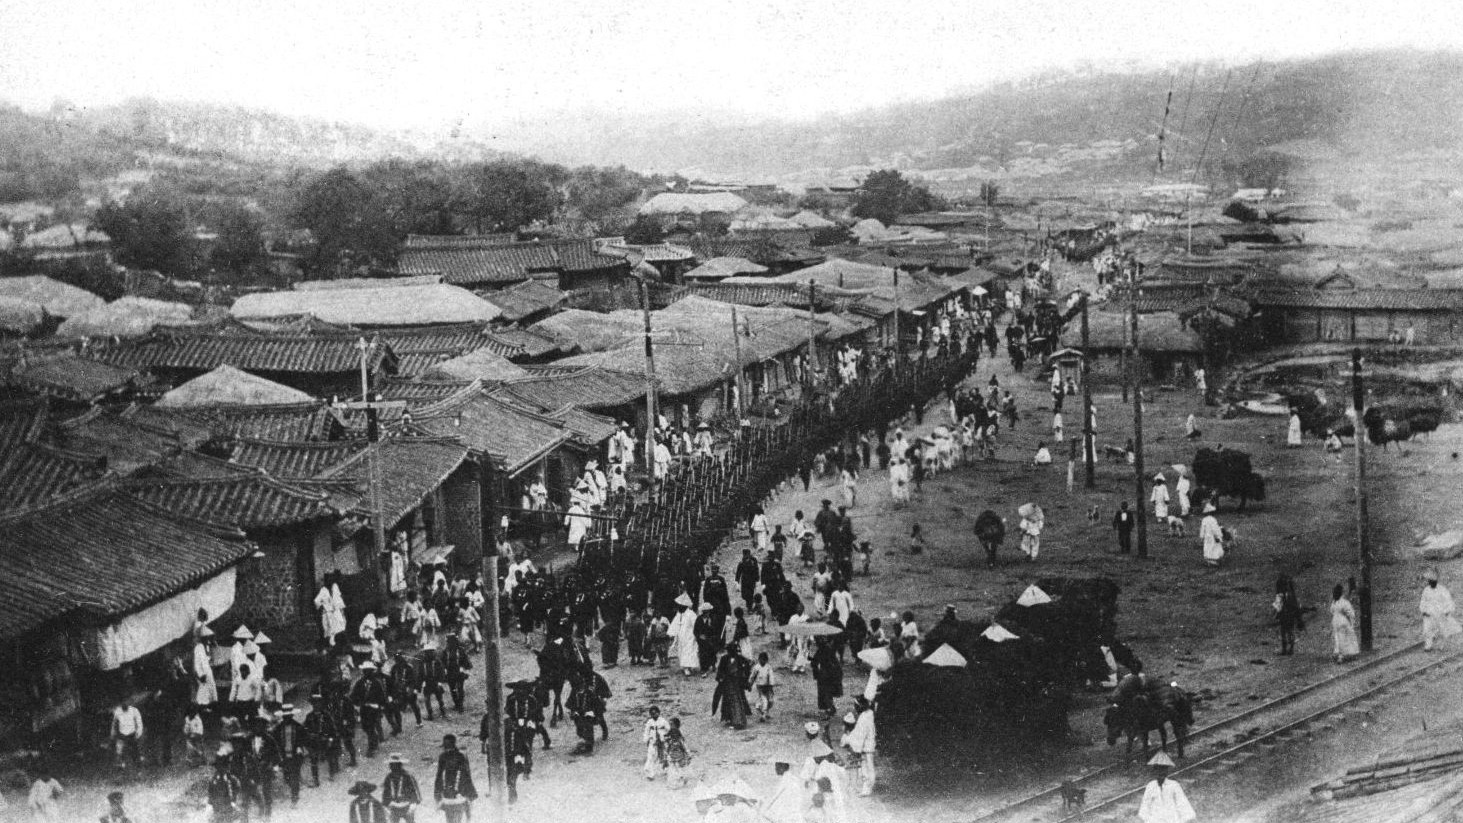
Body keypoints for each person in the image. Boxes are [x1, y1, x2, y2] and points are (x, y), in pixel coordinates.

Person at [1137, 751, 1195, 823]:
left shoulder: (1174, 785)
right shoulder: (1150, 786)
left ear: (1167, 771)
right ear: (1154, 771)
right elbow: (1144, 809)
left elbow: (1183, 805)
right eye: (1158, 769)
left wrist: (1182, 820)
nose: (1161, 772)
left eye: (1164, 769)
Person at [433, 735, 477, 823]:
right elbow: (466, 775)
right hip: (459, 795)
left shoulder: (443, 756)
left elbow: (439, 777)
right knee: (457, 818)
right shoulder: (461, 756)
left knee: (450, 818)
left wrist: (437, 795)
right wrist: (471, 794)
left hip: (448, 796)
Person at [840, 699, 877, 797]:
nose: (855, 707)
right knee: (867, 767)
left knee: (866, 768)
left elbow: (858, 736)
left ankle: (867, 788)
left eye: (856, 705)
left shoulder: (863, 718)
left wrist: (847, 740)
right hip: (868, 745)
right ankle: (866, 787)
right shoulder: (869, 714)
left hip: (866, 747)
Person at [1420, 568, 1461, 651]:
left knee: (1441, 630)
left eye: (1433, 581)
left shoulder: (1442, 590)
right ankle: (1428, 646)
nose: (1431, 583)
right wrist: (1423, 611)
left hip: (1440, 613)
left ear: (1436, 581)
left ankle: (1441, 646)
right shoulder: (1426, 590)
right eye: (1430, 581)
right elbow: (1423, 601)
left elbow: (1449, 601)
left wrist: (1446, 611)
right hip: (1429, 613)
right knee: (1428, 630)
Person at [381, 754, 421, 822]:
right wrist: (386, 805)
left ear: (400, 765)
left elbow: (415, 791)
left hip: (407, 806)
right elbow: (386, 792)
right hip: (393, 807)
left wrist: (413, 805)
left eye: (395, 765)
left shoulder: (408, 776)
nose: (393, 767)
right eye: (391, 765)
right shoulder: (388, 777)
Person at [810, 637, 843, 717]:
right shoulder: (830, 648)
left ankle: (829, 709)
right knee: (828, 692)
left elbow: (814, 662)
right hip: (832, 673)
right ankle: (830, 708)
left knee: (824, 692)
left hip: (824, 674)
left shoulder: (821, 650)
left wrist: (810, 656)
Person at [1274, 575, 1305, 656]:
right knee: (1288, 632)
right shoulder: (1291, 595)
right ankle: (1290, 649)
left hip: (1285, 616)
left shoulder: (1281, 596)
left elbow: (1278, 607)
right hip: (1289, 616)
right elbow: (1296, 607)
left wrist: (1277, 614)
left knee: (1285, 632)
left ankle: (1286, 649)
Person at [110, 698, 145, 772]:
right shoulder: (118, 711)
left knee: (135, 753)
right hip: (121, 735)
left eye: (125, 703)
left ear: (129, 703)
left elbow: (139, 723)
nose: (124, 704)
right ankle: (120, 768)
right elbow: (114, 723)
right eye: (122, 703)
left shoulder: (134, 711)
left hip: (131, 735)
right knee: (119, 752)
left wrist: (138, 733)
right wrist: (113, 733)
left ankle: (138, 769)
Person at [207, 755, 242, 823]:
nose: (222, 768)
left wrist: (233, 798)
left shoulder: (230, 778)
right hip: (217, 806)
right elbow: (210, 791)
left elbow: (237, 786)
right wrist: (211, 801)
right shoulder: (214, 779)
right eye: (219, 766)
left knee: (228, 820)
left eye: (224, 766)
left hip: (228, 804)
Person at [1331, 584, 1361, 663]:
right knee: (1345, 637)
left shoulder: (1334, 602)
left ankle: (1337, 653)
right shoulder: (1344, 602)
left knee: (1338, 637)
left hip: (1335, 621)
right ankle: (1342, 655)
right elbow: (1350, 613)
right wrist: (1352, 621)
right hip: (1342, 620)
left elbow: (1332, 611)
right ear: (1342, 592)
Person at [642, 706, 671, 780]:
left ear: (658, 713)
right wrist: (646, 739)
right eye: (651, 714)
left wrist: (665, 737)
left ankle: (666, 771)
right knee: (651, 757)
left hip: (661, 742)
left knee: (664, 756)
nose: (653, 715)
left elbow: (669, 730)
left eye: (655, 713)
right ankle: (650, 774)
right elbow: (646, 731)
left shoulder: (663, 721)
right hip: (653, 742)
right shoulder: (649, 722)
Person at [664, 717, 691, 788]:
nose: (674, 736)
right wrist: (666, 757)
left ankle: (683, 779)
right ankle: (673, 783)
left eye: (672, 724)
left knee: (681, 769)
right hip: (672, 757)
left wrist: (688, 755)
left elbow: (684, 747)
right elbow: (667, 748)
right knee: (672, 770)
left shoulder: (680, 740)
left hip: (680, 757)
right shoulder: (670, 740)